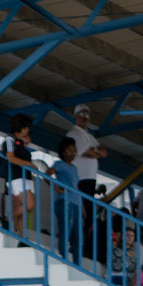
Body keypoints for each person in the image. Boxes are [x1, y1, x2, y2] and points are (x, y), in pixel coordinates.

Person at [67, 104, 108, 256]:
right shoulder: (73, 134)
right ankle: (75, 244)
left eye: (86, 115)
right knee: (81, 213)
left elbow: (102, 151)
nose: (84, 118)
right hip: (80, 179)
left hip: (90, 181)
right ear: (75, 117)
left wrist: (95, 152)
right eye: (81, 115)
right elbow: (86, 152)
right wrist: (95, 152)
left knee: (89, 215)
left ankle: (84, 245)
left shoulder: (90, 136)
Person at [0, 114, 38, 241]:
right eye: (26, 127)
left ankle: (21, 236)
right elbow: (10, 158)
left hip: (25, 178)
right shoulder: (9, 140)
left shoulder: (20, 143)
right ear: (20, 127)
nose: (27, 130)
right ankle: (7, 218)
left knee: (22, 210)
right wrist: (29, 164)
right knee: (29, 205)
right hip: (16, 178)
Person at [48, 136, 81, 264]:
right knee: (65, 232)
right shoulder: (60, 164)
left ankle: (77, 264)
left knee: (78, 236)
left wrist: (82, 207)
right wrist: (56, 187)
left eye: (74, 150)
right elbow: (47, 173)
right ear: (63, 152)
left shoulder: (74, 168)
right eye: (70, 150)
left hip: (76, 203)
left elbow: (76, 187)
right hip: (64, 201)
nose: (73, 153)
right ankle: (64, 259)